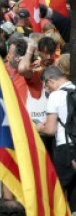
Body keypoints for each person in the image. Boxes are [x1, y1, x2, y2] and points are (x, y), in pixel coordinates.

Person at [40, 65, 76, 207]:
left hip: (65, 149)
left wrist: (38, 127)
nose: (47, 90)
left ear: (50, 81)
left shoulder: (56, 96)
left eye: (46, 87)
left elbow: (50, 130)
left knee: (56, 191)